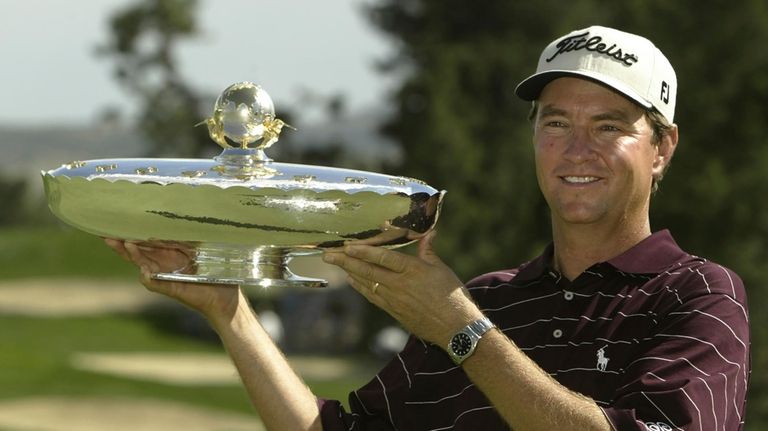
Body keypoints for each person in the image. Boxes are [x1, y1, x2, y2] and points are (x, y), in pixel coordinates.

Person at [106, 25, 750, 430]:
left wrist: (460, 331)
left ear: (662, 148)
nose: (576, 149)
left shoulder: (699, 296)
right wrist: (230, 313)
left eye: (609, 127)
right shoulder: (490, 300)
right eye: (556, 123)